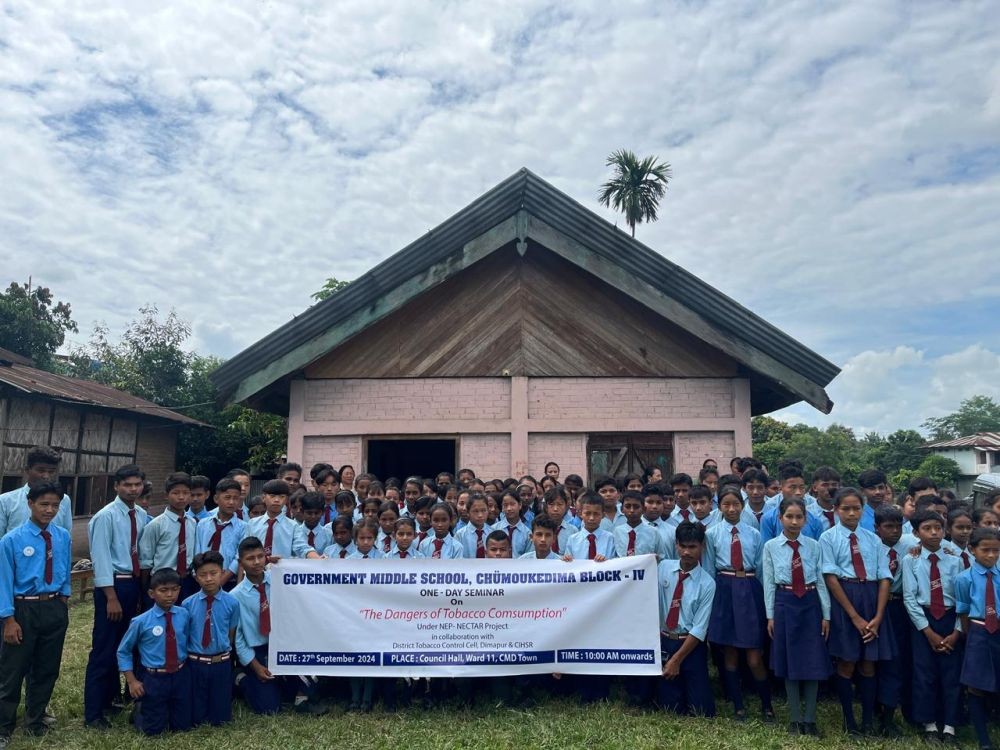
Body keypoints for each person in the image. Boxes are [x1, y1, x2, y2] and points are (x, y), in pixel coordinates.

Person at [0, 482, 71, 747]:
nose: (50, 510)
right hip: (22, 608)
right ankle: (4, 726)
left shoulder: (62, 535)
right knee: (12, 669)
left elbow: (63, 568)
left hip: (53, 606)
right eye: (44, 504)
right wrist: (8, 619)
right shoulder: (11, 540)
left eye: (55, 505)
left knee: (46, 667)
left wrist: (63, 598)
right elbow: (4, 581)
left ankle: (35, 718)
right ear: (30, 503)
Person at [820, 487, 895, 736]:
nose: (852, 513)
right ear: (836, 510)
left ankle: (867, 720)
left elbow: (885, 576)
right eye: (846, 509)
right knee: (847, 661)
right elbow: (830, 577)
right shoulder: (828, 538)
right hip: (846, 599)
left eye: (856, 509)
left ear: (863, 511)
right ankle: (849, 719)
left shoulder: (873, 539)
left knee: (869, 664)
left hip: (873, 599)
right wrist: (854, 616)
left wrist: (878, 616)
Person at [84, 463, 149, 729]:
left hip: (135, 585)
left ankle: (113, 698)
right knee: (104, 648)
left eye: (137, 485)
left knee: (128, 644)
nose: (133, 489)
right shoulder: (105, 516)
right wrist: (110, 596)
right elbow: (100, 558)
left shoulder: (142, 515)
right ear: (116, 486)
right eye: (127, 485)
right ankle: (94, 713)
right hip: (114, 586)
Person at [233, 537, 324, 715]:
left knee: (314, 671)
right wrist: (256, 667)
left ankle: (295, 693)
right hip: (258, 650)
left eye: (260, 556)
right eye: (250, 558)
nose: (257, 562)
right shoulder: (235, 596)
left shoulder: (281, 578)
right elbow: (239, 639)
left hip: (285, 644)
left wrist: (322, 564)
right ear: (240, 562)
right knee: (269, 709)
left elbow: (305, 574)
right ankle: (240, 677)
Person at [762, 497, 830, 736]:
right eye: (788, 516)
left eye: (798, 517)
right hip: (785, 602)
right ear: (780, 518)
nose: (793, 521)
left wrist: (826, 614)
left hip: (810, 603)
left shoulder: (814, 545)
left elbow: (821, 580)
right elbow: (769, 583)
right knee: (789, 661)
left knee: (812, 660)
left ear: (805, 518)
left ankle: (810, 719)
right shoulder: (770, 546)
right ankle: (794, 718)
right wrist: (770, 615)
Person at [704, 486, 771, 721]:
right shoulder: (711, 534)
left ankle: (767, 704)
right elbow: (709, 568)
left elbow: (762, 569)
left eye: (736, 504)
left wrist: (763, 598)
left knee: (754, 655)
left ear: (742, 506)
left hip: (749, 588)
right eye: (726, 504)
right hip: (724, 588)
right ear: (719, 507)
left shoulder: (754, 533)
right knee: (730, 651)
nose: (731, 509)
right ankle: (738, 706)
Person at [902, 508, 964, 743]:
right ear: (917, 533)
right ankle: (929, 725)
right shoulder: (911, 560)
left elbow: (962, 600)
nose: (934, 533)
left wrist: (957, 632)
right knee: (924, 674)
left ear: (945, 530)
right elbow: (909, 597)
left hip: (949, 618)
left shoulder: (955, 561)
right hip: (924, 620)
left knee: (951, 675)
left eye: (938, 528)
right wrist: (927, 631)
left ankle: (950, 727)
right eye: (927, 529)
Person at [116, 567, 192, 735]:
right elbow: (123, 651)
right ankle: (139, 709)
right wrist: (132, 681)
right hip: (154, 678)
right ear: (151, 593)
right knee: (152, 731)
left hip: (180, 675)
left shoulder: (184, 615)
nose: (170, 595)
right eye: (163, 590)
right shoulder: (140, 622)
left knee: (182, 727)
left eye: (174, 590)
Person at [656, 521, 716, 716]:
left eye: (692, 547)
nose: (686, 552)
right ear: (676, 545)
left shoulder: (707, 583)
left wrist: (676, 660)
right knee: (669, 708)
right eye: (682, 546)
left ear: (702, 547)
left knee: (701, 711)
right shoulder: (663, 568)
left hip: (690, 646)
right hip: (664, 640)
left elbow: (699, 629)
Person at [954, 527, 1000, 750]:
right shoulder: (964, 579)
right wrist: (969, 636)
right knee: (976, 685)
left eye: (996, 551)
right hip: (979, 632)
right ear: (972, 550)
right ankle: (983, 740)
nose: (991, 555)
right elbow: (963, 609)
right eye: (985, 550)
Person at [873, 504, 917, 734]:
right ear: (877, 528)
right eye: (888, 527)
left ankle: (891, 715)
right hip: (877, 606)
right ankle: (875, 709)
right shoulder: (871, 547)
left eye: (898, 526)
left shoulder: (911, 545)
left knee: (897, 659)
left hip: (900, 606)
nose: (894, 531)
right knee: (876, 660)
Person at [181, 551, 239, 727]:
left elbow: (231, 633)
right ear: (196, 577)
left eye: (213, 573)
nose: (208, 579)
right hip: (196, 662)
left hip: (221, 662)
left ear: (221, 572)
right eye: (202, 575)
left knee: (221, 718)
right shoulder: (187, 604)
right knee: (196, 717)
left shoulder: (232, 602)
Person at [139, 473, 199, 602]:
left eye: (186, 493)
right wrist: (144, 591)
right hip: (162, 582)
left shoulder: (193, 523)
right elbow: (145, 561)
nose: (181, 497)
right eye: (176, 493)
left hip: (187, 580)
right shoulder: (156, 525)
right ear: (166, 495)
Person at [0, 446, 73, 539]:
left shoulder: (64, 500)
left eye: (51, 472)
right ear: (27, 470)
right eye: (41, 470)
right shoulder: (6, 501)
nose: (46, 476)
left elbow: (66, 537)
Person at [242, 480, 320, 562]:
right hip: (255, 571)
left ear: (286, 500)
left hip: (281, 572)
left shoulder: (293, 526)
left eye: (281, 496)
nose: (276, 500)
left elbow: (302, 547)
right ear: (264, 498)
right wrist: (266, 559)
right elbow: (245, 549)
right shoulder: (252, 524)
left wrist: (318, 559)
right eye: (272, 496)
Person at [195, 478, 245, 589]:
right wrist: (200, 576)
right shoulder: (202, 524)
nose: (231, 502)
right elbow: (197, 551)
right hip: (203, 580)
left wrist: (223, 578)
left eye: (236, 498)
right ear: (216, 499)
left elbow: (239, 556)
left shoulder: (244, 527)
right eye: (227, 497)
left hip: (229, 581)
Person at [565, 493, 615, 561]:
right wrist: (566, 560)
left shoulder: (610, 538)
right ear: (580, 514)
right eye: (587, 513)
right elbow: (568, 566)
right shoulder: (572, 540)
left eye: (596, 514)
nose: (591, 518)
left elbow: (615, 563)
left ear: (603, 515)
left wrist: (606, 562)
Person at [614, 491, 663, 559]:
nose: (631, 510)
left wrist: (656, 558)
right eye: (627, 506)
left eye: (636, 507)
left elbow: (661, 556)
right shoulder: (617, 532)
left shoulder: (654, 532)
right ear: (622, 509)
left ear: (644, 509)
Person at [493, 490, 531, 557]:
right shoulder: (494, 529)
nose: (509, 508)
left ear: (520, 505)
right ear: (502, 508)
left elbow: (529, 556)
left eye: (512, 504)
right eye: (505, 505)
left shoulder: (527, 533)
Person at [455, 493, 493, 559]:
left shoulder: (492, 532)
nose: (480, 515)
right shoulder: (460, 535)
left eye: (483, 510)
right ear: (468, 512)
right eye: (475, 511)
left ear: (488, 510)